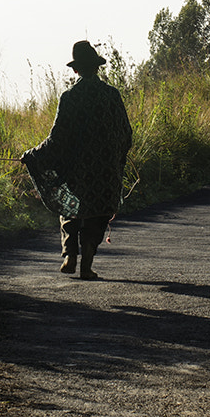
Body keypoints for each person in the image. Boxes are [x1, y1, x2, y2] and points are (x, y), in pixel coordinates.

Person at [21, 41, 132, 280]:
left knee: (70, 205)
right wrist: (117, 162)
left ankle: (69, 254)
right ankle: (87, 262)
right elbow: (126, 133)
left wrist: (33, 155)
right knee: (100, 211)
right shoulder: (112, 96)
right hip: (106, 171)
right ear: (97, 68)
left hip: (76, 170)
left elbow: (57, 138)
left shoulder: (69, 97)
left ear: (76, 70)